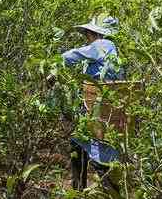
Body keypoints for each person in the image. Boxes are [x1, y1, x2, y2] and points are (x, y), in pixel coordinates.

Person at [49, 16, 123, 196]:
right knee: (79, 141)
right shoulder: (115, 49)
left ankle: (92, 191)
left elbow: (73, 55)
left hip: (98, 106)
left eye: (88, 34)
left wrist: (53, 67)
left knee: (99, 150)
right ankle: (82, 189)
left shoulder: (102, 45)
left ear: (94, 33)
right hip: (107, 106)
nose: (86, 38)